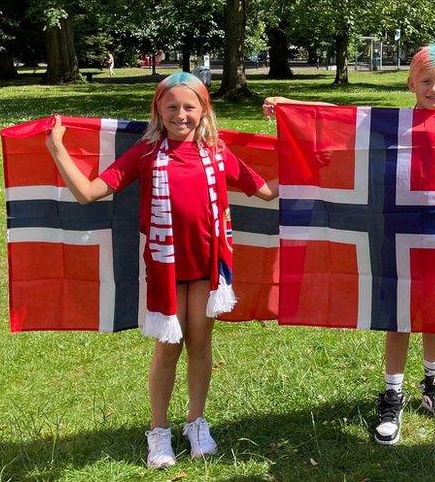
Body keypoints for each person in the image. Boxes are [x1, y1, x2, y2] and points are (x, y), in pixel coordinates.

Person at [46, 72, 278, 469]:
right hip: (166, 269)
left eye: (189, 106)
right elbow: (88, 193)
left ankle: (196, 422)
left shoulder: (219, 154)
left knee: (200, 345)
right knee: (168, 348)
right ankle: (158, 432)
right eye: (171, 106)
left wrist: (299, 144)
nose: (181, 114)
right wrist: (56, 148)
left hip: (209, 268)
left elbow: (268, 191)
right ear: (158, 110)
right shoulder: (146, 154)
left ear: (204, 109)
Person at [262, 44, 435, 445]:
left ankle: (433, 379)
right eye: (426, 81)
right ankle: (393, 390)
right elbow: (339, 118)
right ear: (411, 83)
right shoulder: (392, 123)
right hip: (397, 229)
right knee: (398, 310)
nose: (434, 89)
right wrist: (290, 104)